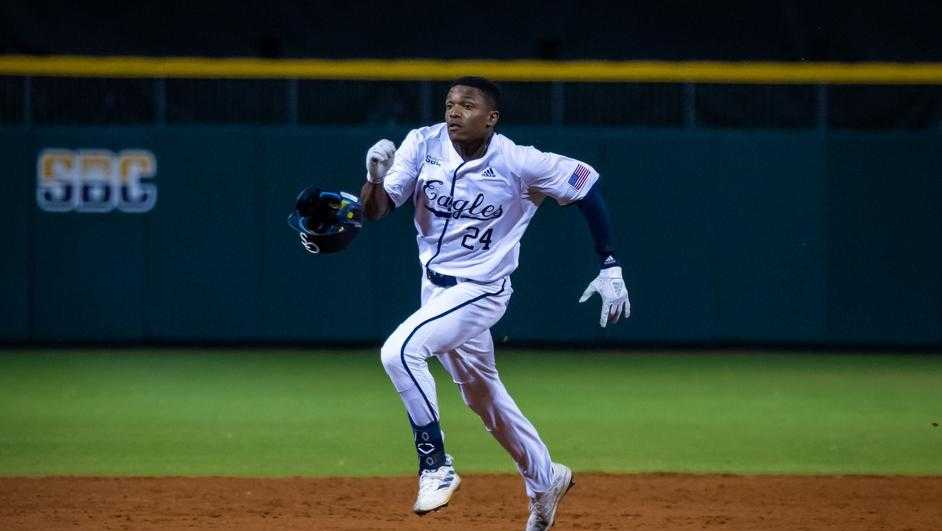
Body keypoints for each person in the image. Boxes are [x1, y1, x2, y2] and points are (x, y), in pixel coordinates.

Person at [358, 76, 629, 531]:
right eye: (450, 103)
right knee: (483, 397)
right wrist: (374, 178)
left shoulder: (520, 162)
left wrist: (610, 264)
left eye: (468, 104)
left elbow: (586, 183)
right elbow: (377, 210)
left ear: (492, 118)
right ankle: (545, 478)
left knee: (400, 352)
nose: (454, 111)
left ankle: (435, 466)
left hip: (481, 290)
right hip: (435, 289)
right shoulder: (422, 145)